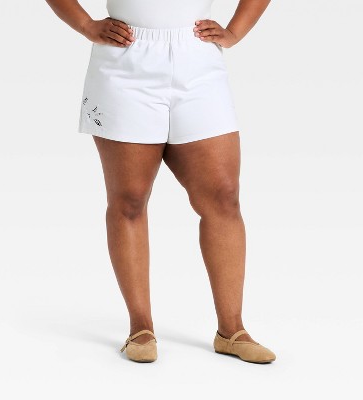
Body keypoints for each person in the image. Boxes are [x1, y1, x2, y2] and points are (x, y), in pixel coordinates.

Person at [45, 0, 275, 363]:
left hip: (197, 60)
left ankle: (231, 330)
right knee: (129, 199)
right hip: (125, 61)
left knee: (223, 196)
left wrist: (235, 32)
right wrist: (86, 25)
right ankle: (141, 327)